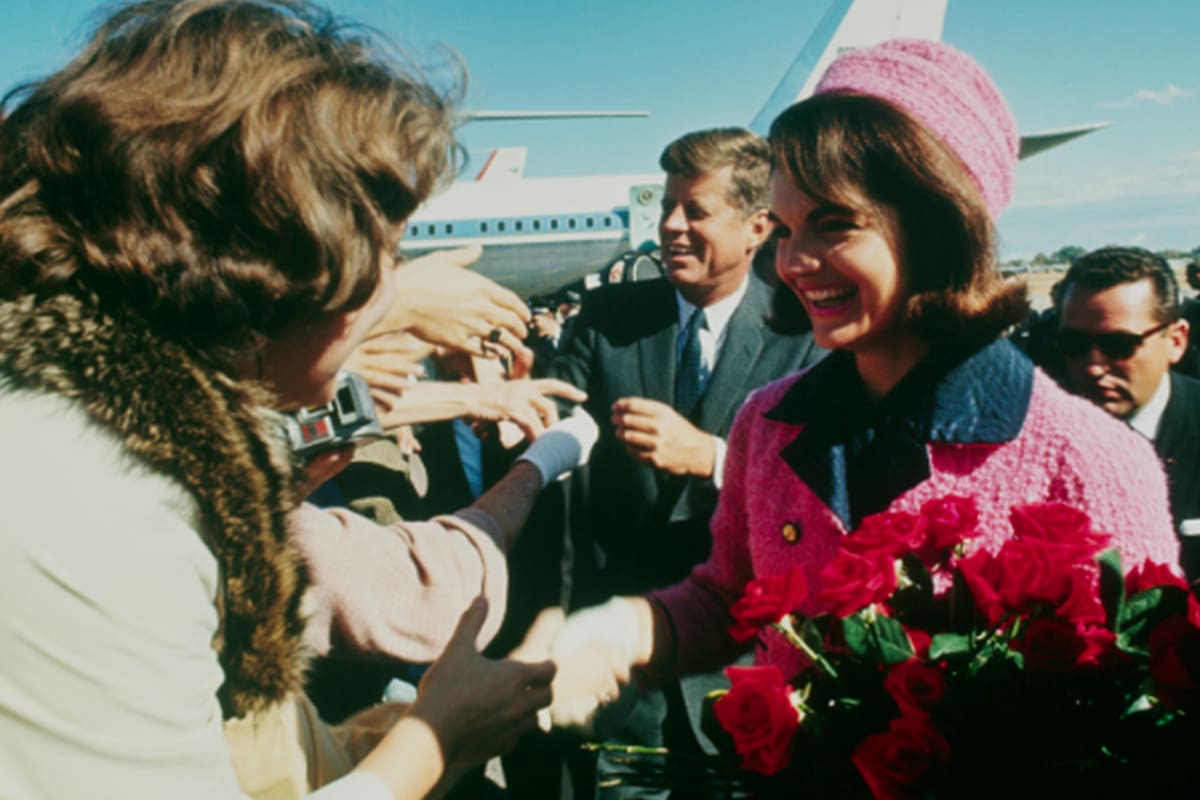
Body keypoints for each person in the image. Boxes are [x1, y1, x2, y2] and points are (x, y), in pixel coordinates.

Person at [544, 38, 1180, 772]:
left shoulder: (1092, 460)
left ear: (939, 222)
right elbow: (730, 601)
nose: (792, 261)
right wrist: (619, 634)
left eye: (834, 224)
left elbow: (1150, 716)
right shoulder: (768, 426)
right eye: (786, 229)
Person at [0, 2, 562, 798]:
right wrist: (435, 741)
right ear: (280, 263)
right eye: (388, 250)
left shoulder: (113, 439)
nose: (392, 289)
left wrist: (409, 732)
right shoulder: (99, 499)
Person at [529, 127, 824, 795]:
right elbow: (560, 417)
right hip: (621, 678)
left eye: (696, 210)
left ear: (757, 228)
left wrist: (715, 459)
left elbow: (819, 491)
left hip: (741, 681)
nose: (670, 226)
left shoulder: (803, 333)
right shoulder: (609, 316)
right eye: (667, 206)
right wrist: (520, 424)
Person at [1053, 246, 1200, 582]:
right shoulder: (1035, 438)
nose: (1092, 367)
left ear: (1176, 341)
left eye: (1119, 345)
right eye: (1073, 344)